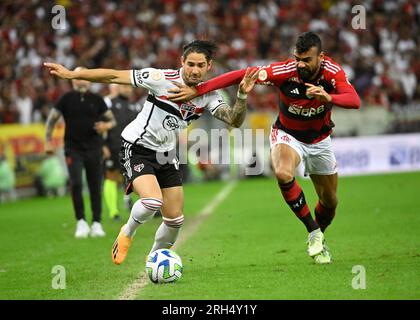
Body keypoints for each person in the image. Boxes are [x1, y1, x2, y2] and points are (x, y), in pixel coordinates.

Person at [44, 40, 259, 265]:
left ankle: (153, 259)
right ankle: (127, 232)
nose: (195, 70)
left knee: (175, 220)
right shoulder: (160, 79)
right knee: (152, 201)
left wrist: (242, 96)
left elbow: (234, 120)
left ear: (209, 66)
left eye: (200, 65)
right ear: (182, 62)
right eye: (191, 64)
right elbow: (114, 76)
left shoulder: (209, 96)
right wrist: (71, 74)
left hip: (166, 154)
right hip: (137, 147)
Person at [168, 32, 361, 264]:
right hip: (287, 134)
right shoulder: (285, 71)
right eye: (297, 58)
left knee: (330, 202)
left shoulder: (332, 72)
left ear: (320, 57)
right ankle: (313, 232)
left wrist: (329, 98)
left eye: (306, 60)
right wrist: (198, 90)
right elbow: (241, 74)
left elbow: (354, 100)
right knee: (282, 172)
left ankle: (320, 236)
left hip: (320, 141)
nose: (300, 64)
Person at [45, 67, 116, 238]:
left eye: (84, 76)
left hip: (94, 147)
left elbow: (112, 120)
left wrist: (105, 126)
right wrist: (47, 140)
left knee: (95, 185)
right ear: (72, 80)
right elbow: (52, 120)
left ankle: (97, 222)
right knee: (76, 183)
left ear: (89, 79)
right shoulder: (66, 99)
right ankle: (81, 222)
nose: (81, 80)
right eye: (77, 76)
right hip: (73, 148)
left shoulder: (97, 100)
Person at [102, 84, 140, 221]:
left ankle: (135, 203)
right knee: (111, 176)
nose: (127, 89)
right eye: (124, 87)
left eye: (130, 87)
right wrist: (103, 145)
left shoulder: (134, 106)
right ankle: (114, 212)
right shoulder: (109, 103)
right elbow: (101, 123)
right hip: (112, 146)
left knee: (137, 176)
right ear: (118, 88)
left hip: (131, 148)